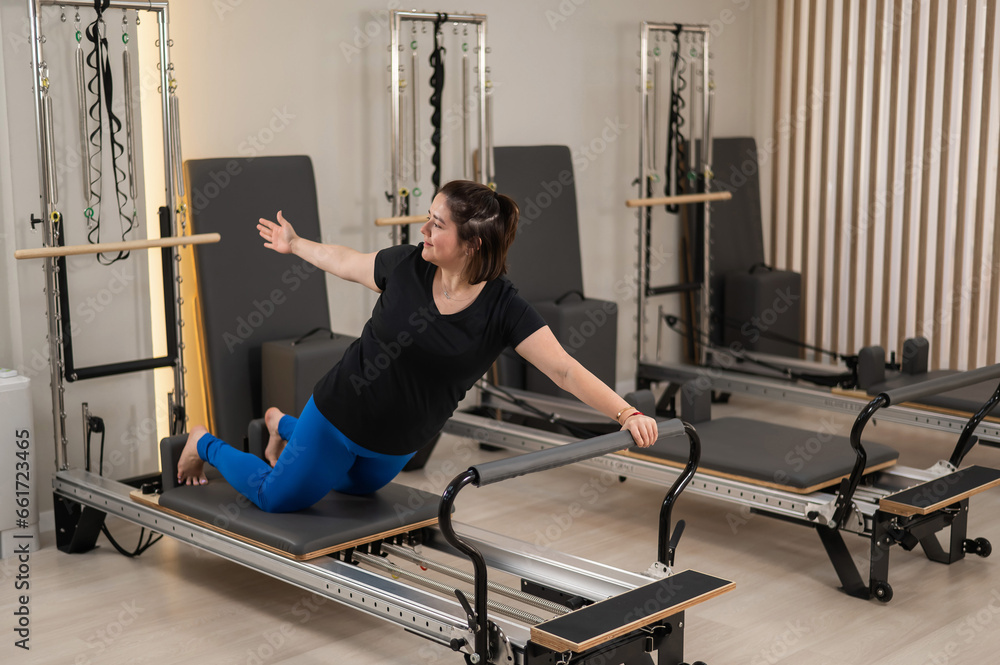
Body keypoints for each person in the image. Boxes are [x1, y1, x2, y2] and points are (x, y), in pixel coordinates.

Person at [177, 180, 658, 512]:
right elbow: (346, 262)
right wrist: (296, 243)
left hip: (395, 449)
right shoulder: (407, 266)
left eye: (437, 224)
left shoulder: (503, 309)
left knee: (356, 489)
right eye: (427, 218)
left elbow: (565, 370)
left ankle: (281, 423)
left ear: (471, 245)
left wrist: (625, 413)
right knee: (276, 497)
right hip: (342, 412)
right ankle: (204, 442)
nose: (423, 230)